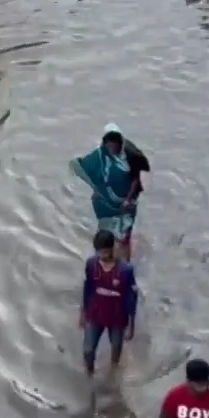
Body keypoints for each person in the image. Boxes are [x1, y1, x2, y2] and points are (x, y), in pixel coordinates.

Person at [71, 124, 151, 259]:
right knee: (104, 230)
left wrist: (128, 199)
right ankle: (104, 257)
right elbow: (82, 166)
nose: (112, 148)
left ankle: (125, 262)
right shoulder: (101, 154)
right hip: (105, 202)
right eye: (109, 145)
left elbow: (136, 179)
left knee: (124, 233)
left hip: (126, 203)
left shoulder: (131, 155)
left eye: (114, 145)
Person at [80, 228, 138, 375]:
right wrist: (82, 312)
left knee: (116, 346)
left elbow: (131, 297)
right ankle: (89, 375)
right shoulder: (92, 265)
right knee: (88, 349)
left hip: (117, 317)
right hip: (95, 313)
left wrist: (131, 325)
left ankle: (113, 372)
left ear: (112, 248)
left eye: (105, 252)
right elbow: (87, 288)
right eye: (98, 252)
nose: (102, 256)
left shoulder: (126, 270)